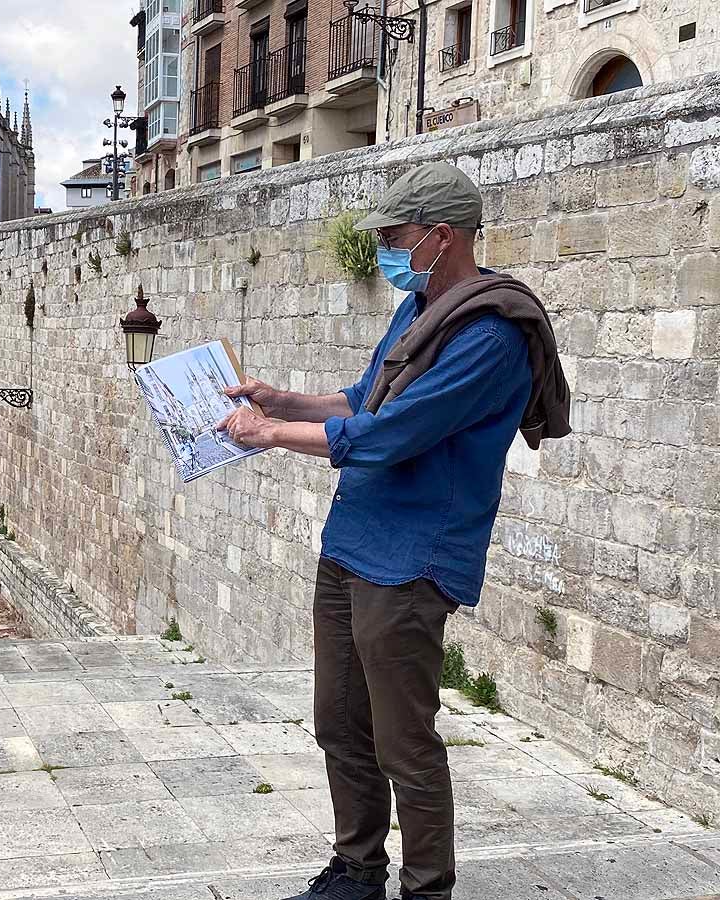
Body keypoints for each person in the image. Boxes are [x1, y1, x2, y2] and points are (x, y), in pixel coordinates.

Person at [218, 163, 570, 900]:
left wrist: (272, 432)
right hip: (353, 542)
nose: (382, 246)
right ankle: (357, 871)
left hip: (410, 562)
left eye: (392, 235)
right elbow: (363, 397)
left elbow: (388, 435)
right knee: (339, 724)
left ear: (441, 237)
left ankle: (426, 889)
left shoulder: (490, 335)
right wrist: (282, 398)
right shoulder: (419, 308)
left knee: (404, 742)